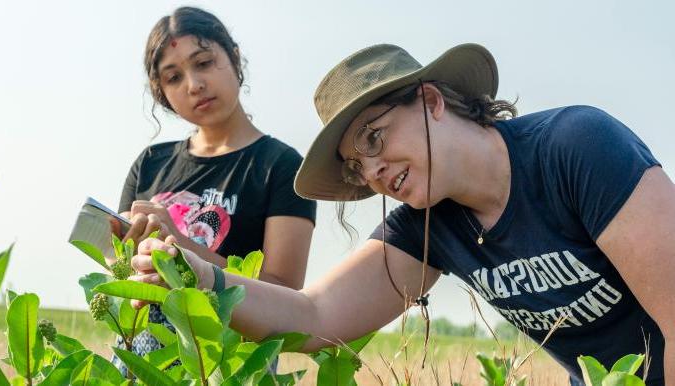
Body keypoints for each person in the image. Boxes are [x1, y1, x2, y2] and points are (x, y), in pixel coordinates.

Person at [130, 43, 673, 385]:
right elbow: (315, 317)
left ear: (432, 101)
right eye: (355, 166)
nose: (373, 171)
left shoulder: (574, 147)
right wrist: (201, 275)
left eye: (375, 137)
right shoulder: (427, 222)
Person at [112, 6, 316, 370]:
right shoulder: (150, 163)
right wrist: (123, 253)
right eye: (173, 77)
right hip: (142, 356)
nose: (194, 85)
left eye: (203, 63)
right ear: (163, 94)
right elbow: (118, 269)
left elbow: (284, 292)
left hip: (230, 361)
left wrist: (179, 246)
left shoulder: (281, 166)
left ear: (234, 58)